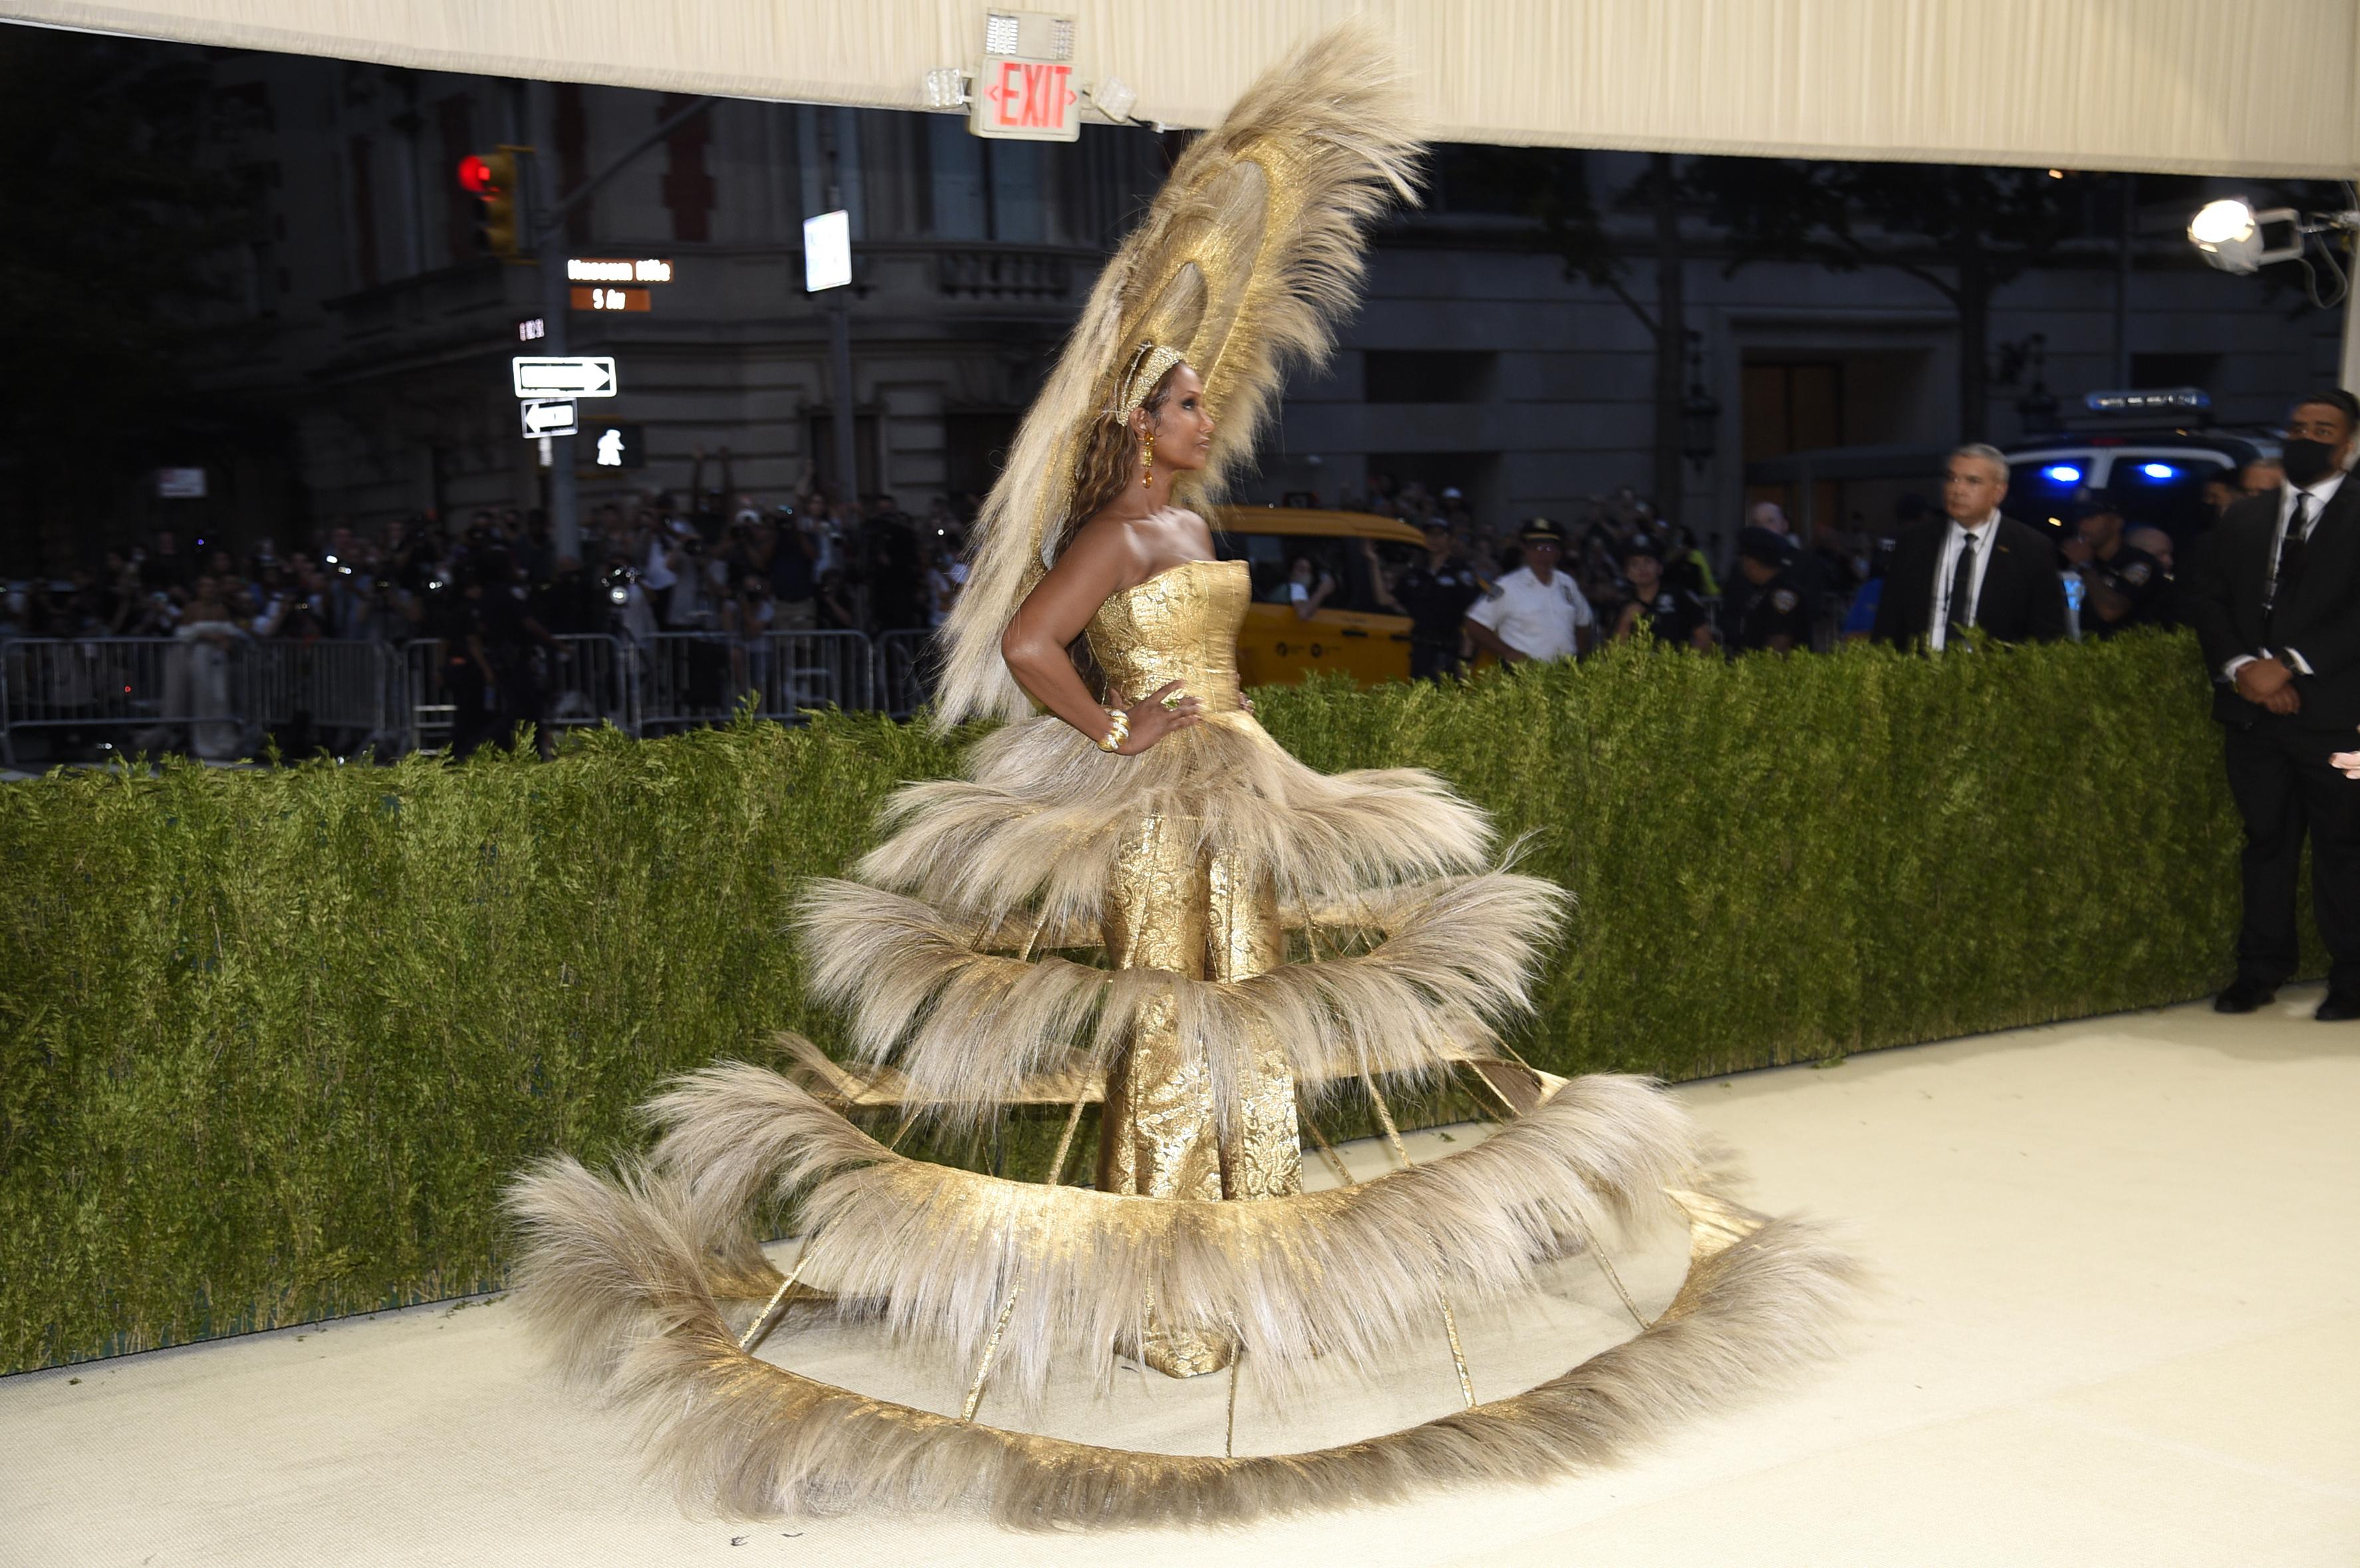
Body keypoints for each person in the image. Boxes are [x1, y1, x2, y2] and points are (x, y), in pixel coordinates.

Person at [507, 27, 1851, 1521]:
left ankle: (1263, 1260)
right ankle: (1176, 1303)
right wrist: (1114, 730)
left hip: (1235, 780)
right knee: (1168, 1028)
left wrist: (1204, 725)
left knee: (1252, 1019)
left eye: (1205, 404)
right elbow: (1029, 645)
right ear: (1138, 426)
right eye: (1187, 407)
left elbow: (1179, 650)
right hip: (1153, 811)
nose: (1211, 422)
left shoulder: (1192, 530)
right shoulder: (1126, 533)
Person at [2179, 390, 2360, 1021]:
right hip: (2253, 714)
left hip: (2339, 718)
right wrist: (2243, 669)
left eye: (2322, 429)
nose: (2305, 438)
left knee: (2345, 848)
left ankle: (2352, 980)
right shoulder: (2246, 518)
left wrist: (2287, 664)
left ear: (2347, 444)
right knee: (2265, 843)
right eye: (2298, 427)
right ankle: (2259, 971)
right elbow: (2207, 600)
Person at [1870, 444, 2068, 649]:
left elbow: (2049, 637)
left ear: (1999, 492)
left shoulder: (2031, 549)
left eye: (1972, 481)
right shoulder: (1913, 542)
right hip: (1922, 674)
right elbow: (1888, 625)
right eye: (1952, 479)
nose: (1957, 490)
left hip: (1996, 677)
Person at [1462, 517, 1593, 664]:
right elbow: (1475, 624)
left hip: (1565, 674)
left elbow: (1584, 620)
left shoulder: (1567, 584)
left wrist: (1580, 655)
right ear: (1525, 551)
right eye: (1536, 548)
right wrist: (1509, 653)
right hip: (1526, 675)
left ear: (1558, 553)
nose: (1542, 555)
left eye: (1549, 549)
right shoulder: (1508, 586)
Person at [2060, 493, 2170, 637]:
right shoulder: (2090, 562)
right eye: (2080, 519)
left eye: (2091, 518)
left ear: (2116, 523)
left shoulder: (2140, 563)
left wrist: (2085, 567)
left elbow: (2110, 611)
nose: (2082, 525)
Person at [1391, 515, 1483, 678]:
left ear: (1451, 540)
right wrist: (1372, 562)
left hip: (1446, 652)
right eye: (1430, 534)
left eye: (1441, 535)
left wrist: (1466, 657)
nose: (1434, 539)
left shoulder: (1459, 572)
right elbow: (1389, 600)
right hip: (1420, 651)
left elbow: (1475, 615)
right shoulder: (1418, 572)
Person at [1612, 535, 1714, 650]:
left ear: (1660, 567)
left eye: (1648, 562)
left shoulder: (1679, 596)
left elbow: (1704, 638)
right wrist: (1625, 621)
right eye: (1634, 564)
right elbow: (1612, 653)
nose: (1642, 569)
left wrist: (1682, 665)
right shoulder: (1620, 602)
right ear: (1627, 572)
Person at [1721, 527, 1813, 654]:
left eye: (1743, 560)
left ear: (1751, 563)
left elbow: (1780, 644)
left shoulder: (1783, 595)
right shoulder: (1763, 590)